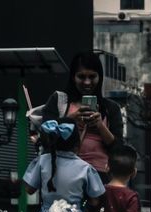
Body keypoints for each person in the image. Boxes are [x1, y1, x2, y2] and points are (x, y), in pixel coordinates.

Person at [38, 52, 124, 182]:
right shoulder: (59, 101)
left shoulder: (111, 108)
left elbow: (118, 150)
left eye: (92, 76)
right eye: (81, 77)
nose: (87, 82)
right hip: (63, 174)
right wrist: (70, 120)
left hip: (99, 176)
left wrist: (100, 126)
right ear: (73, 77)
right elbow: (45, 136)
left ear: (100, 77)